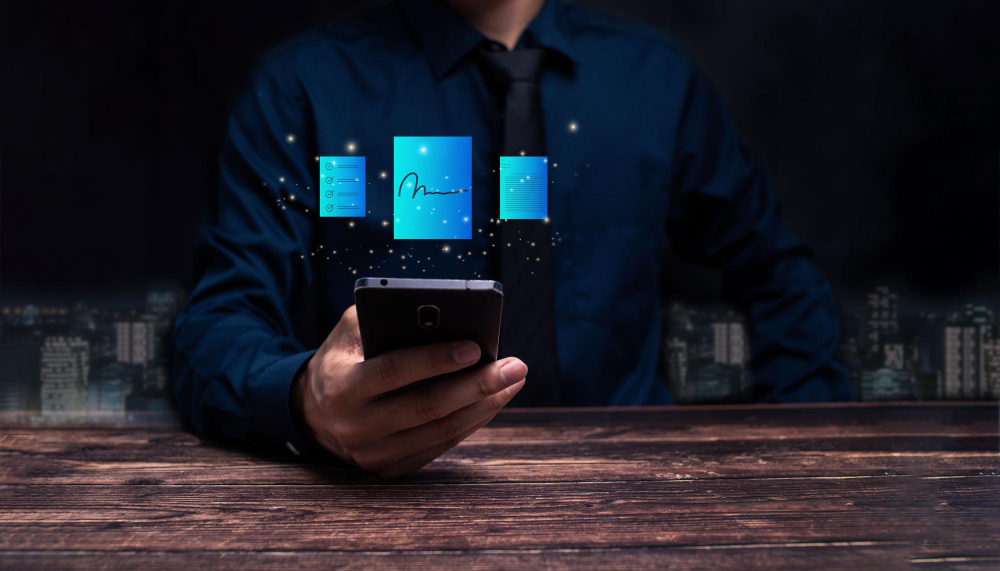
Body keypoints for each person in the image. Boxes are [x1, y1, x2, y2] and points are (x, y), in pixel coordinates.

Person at [171, 0, 853, 479]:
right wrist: (304, 401)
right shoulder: (302, 91)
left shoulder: (657, 81)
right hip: (384, 501)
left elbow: (779, 273)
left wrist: (801, 457)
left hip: (632, 494)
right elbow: (215, 323)